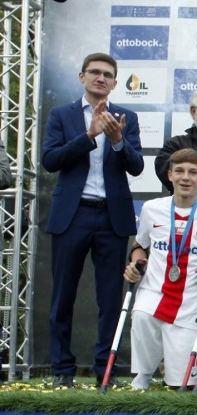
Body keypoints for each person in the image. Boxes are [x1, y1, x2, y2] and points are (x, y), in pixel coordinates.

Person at [42, 52, 144, 387]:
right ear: (81, 76)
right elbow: (51, 160)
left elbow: (137, 166)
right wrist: (88, 136)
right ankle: (62, 371)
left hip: (111, 217)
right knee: (64, 295)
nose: (101, 78)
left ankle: (106, 369)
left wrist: (116, 141)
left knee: (110, 298)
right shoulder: (62, 115)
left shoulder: (126, 117)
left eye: (107, 74)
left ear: (115, 82)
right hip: (73, 214)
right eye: (95, 72)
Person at [123, 149, 197, 389]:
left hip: (190, 300)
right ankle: (142, 374)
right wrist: (136, 264)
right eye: (180, 171)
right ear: (170, 175)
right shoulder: (152, 209)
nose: (186, 177)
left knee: (181, 384)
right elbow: (140, 245)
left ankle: (176, 378)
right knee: (141, 315)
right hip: (153, 293)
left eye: (193, 172)